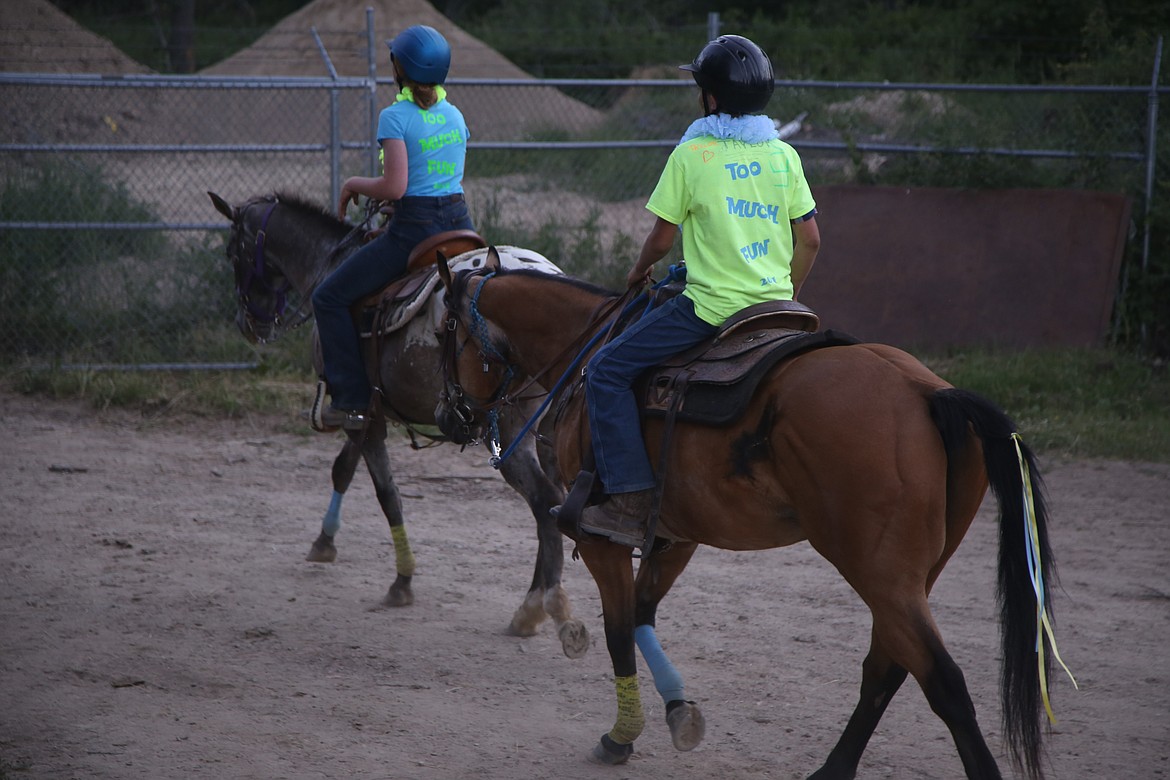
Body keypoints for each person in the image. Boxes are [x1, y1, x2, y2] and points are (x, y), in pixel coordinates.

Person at [579, 34, 821, 547]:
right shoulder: (784, 156)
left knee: (605, 370)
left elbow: (662, 238)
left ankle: (628, 501)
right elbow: (812, 238)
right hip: (777, 307)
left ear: (710, 98)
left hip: (711, 309)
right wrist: (787, 292)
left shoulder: (692, 155)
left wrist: (638, 271)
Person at [311, 24, 474, 432]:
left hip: (415, 230)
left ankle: (349, 402)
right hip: (459, 222)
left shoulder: (394, 116)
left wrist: (354, 185)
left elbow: (396, 185)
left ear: (398, 68)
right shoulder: (455, 114)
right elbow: (437, 176)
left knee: (328, 297)